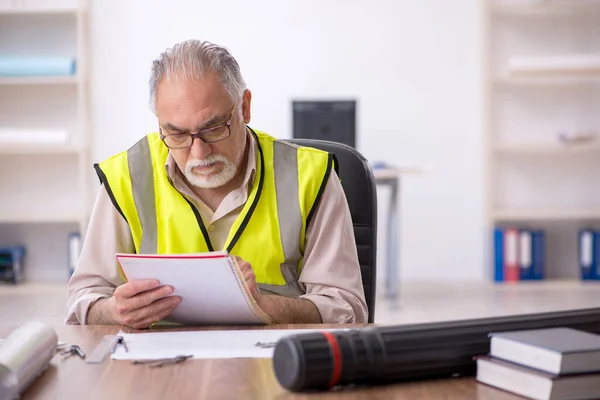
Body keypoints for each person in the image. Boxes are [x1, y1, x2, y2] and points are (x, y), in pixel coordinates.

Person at [66, 39, 367, 328]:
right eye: (177, 134)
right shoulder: (126, 177)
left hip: (275, 364)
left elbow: (347, 309)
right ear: (159, 126)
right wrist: (113, 311)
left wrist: (264, 305)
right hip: (161, 369)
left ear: (244, 108)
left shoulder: (310, 176)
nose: (199, 152)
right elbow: (83, 301)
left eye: (213, 129)